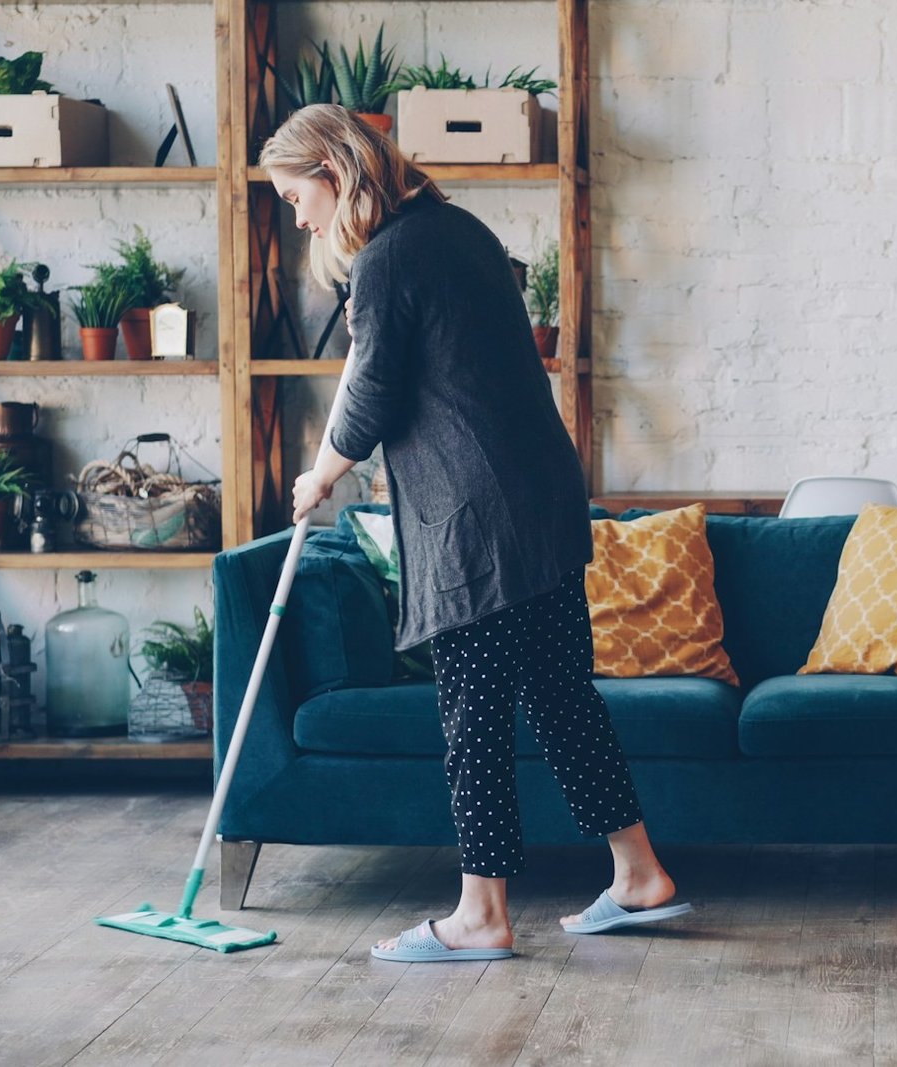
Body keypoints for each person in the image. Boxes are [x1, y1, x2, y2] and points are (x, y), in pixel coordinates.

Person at [261, 104, 689, 963]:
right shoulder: (455, 232)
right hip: (542, 500)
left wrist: (320, 476)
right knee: (563, 699)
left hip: (478, 524)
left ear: (334, 175)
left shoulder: (387, 260)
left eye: (295, 195)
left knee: (473, 718)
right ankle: (638, 873)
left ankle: (480, 914)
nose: (297, 216)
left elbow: (374, 396)